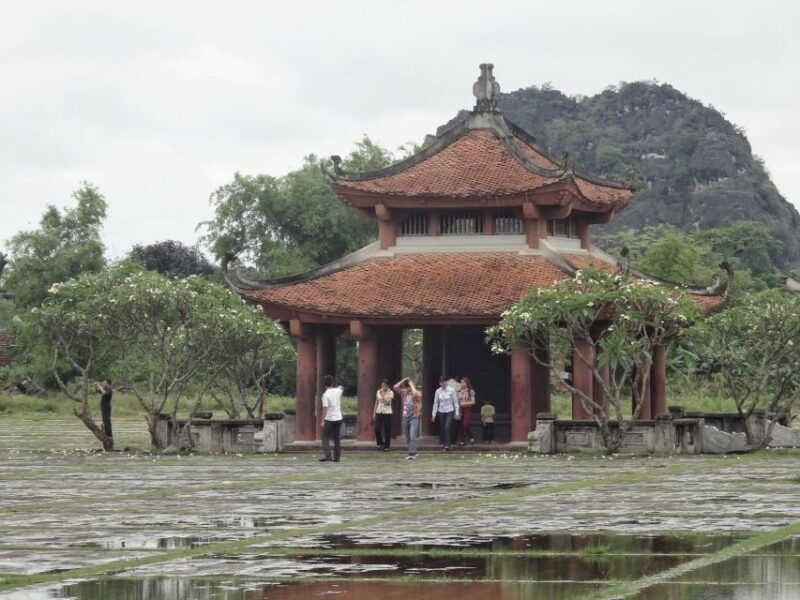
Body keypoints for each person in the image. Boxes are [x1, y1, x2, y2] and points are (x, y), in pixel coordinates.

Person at [394, 377, 421, 460]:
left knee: (412, 435)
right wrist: (404, 380)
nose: (408, 388)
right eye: (407, 386)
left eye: (409, 386)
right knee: (408, 437)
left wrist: (412, 385)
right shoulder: (404, 392)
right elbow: (395, 387)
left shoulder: (416, 393)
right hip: (405, 417)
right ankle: (413, 451)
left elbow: (416, 394)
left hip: (414, 417)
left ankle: (411, 453)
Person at [319, 375, 343, 462]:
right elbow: (341, 387)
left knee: (325, 437)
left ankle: (328, 456)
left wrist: (322, 420)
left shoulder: (325, 395)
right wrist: (339, 387)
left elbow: (325, 408)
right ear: (333, 383)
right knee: (337, 438)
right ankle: (337, 458)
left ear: (324, 384)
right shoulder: (338, 391)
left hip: (329, 419)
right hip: (338, 418)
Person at [432, 375, 458, 450]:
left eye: (443, 382)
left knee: (447, 426)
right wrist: (433, 414)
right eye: (441, 383)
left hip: (450, 410)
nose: (442, 384)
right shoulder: (438, 391)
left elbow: (455, 402)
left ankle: (448, 444)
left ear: (446, 382)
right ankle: (444, 444)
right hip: (441, 411)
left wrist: (457, 412)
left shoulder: (451, 390)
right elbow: (436, 403)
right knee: (443, 428)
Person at [373, 379, 394, 451]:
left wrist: (382, 394)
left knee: (387, 429)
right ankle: (380, 443)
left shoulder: (391, 393)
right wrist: (374, 413)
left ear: (388, 386)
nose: (383, 387)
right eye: (382, 386)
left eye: (384, 386)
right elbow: (376, 403)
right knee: (377, 429)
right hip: (379, 411)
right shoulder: (378, 391)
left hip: (387, 412)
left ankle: (386, 446)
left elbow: (388, 402)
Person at [457, 376, 476, 446]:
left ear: (467, 383)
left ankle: (470, 436)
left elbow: (473, 402)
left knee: (465, 424)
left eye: (464, 383)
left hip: (467, 409)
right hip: (460, 409)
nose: (462, 384)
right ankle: (462, 441)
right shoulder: (458, 391)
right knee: (460, 425)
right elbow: (457, 401)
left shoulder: (470, 391)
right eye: (461, 382)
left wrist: (464, 403)